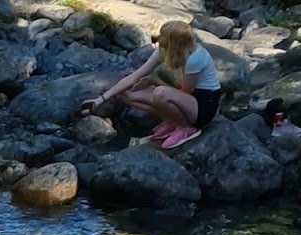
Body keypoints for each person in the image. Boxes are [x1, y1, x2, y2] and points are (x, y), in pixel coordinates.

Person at [82, 20, 221, 146]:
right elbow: (136, 75)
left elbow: (185, 92)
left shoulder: (195, 58)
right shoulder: (164, 51)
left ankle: (186, 128)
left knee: (160, 93)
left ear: (174, 41)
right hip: (184, 99)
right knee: (125, 93)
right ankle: (172, 122)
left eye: (163, 36)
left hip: (202, 105)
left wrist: (154, 81)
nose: (159, 38)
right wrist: (100, 100)